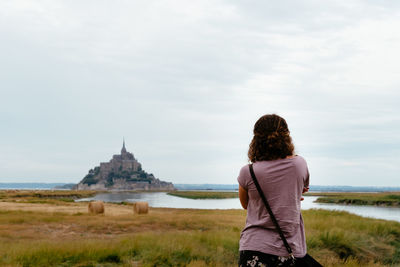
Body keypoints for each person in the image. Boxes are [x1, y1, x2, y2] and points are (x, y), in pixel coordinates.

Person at [237, 114, 310, 267]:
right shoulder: (299, 164)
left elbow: (245, 204)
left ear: (256, 139)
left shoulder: (248, 171)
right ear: (287, 136)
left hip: (253, 249)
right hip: (289, 249)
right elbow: (301, 190)